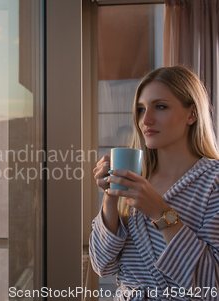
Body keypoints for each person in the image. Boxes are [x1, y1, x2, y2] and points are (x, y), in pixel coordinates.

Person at [90, 65, 219, 300]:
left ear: (192, 113)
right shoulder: (136, 178)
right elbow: (102, 266)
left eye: (160, 106)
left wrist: (161, 213)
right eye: (141, 109)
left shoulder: (213, 182)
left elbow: (212, 285)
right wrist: (110, 196)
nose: (146, 120)